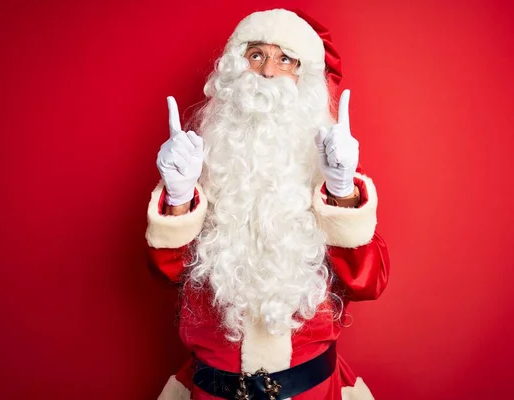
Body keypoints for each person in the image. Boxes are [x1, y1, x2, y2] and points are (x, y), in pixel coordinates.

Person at [146, 8, 390, 400]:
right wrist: (177, 195)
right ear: (233, 68)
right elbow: (167, 276)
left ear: (304, 79)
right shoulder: (201, 161)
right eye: (256, 54)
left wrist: (342, 188)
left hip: (310, 391)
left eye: (285, 59)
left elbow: (369, 283)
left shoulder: (328, 166)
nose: (266, 71)